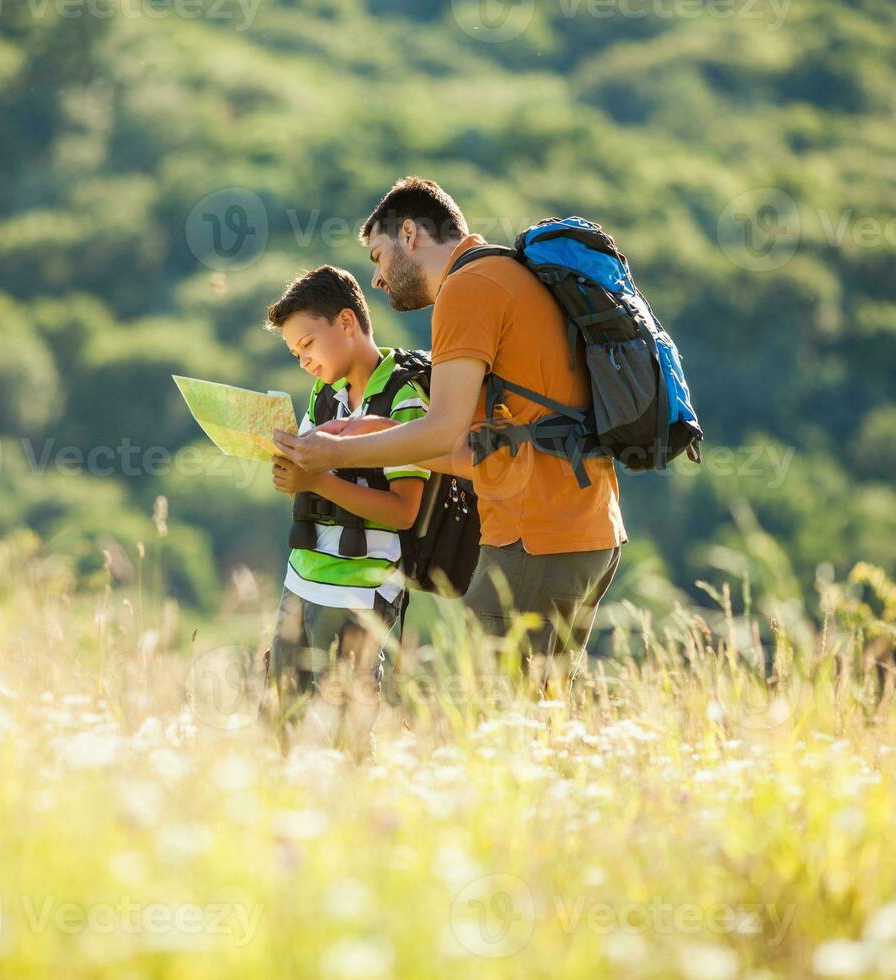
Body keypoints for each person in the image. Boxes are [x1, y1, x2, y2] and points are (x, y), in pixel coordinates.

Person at [272, 177, 627, 671]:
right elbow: (465, 452)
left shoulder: (467, 290)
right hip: (584, 527)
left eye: (378, 256)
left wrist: (332, 457)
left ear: (411, 234)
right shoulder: (505, 275)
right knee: (540, 713)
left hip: (536, 535)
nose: (377, 278)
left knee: (484, 713)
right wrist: (373, 431)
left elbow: (441, 429)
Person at [264, 265, 431, 752]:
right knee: (282, 712)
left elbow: (403, 511)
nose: (304, 362)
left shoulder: (405, 398)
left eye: (308, 345)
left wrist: (316, 479)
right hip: (303, 576)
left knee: (345, 724)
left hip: (363, 588)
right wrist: (292, 475)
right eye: (296, 354)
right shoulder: (323, 395)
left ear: (345, 322)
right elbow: (312, 481)